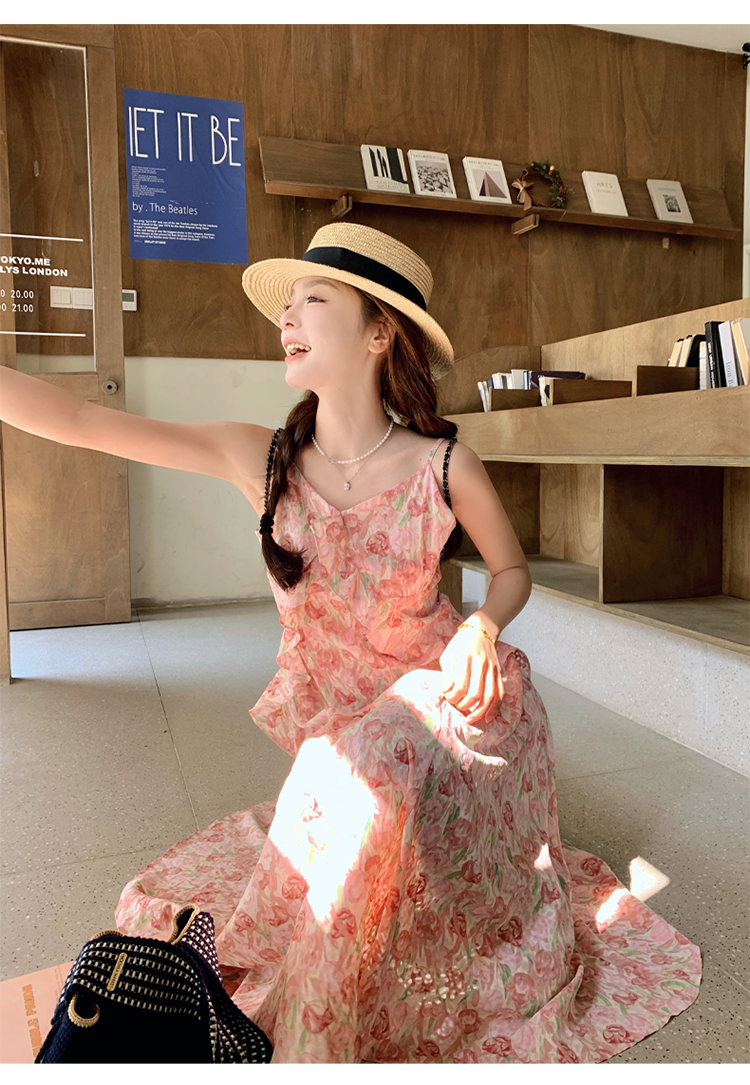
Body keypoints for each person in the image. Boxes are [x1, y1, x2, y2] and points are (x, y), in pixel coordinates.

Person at [0, 224, 700, 1063]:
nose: (287, 316)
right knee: (348, 769)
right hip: (348, 727)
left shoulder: (444, 464)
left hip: (452, 706)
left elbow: (511, 571)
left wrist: (480, 627)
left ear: (378, 333)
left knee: (364, 759)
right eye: (288, 302)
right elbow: (82, 420)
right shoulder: (262, 461)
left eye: (314, 299)